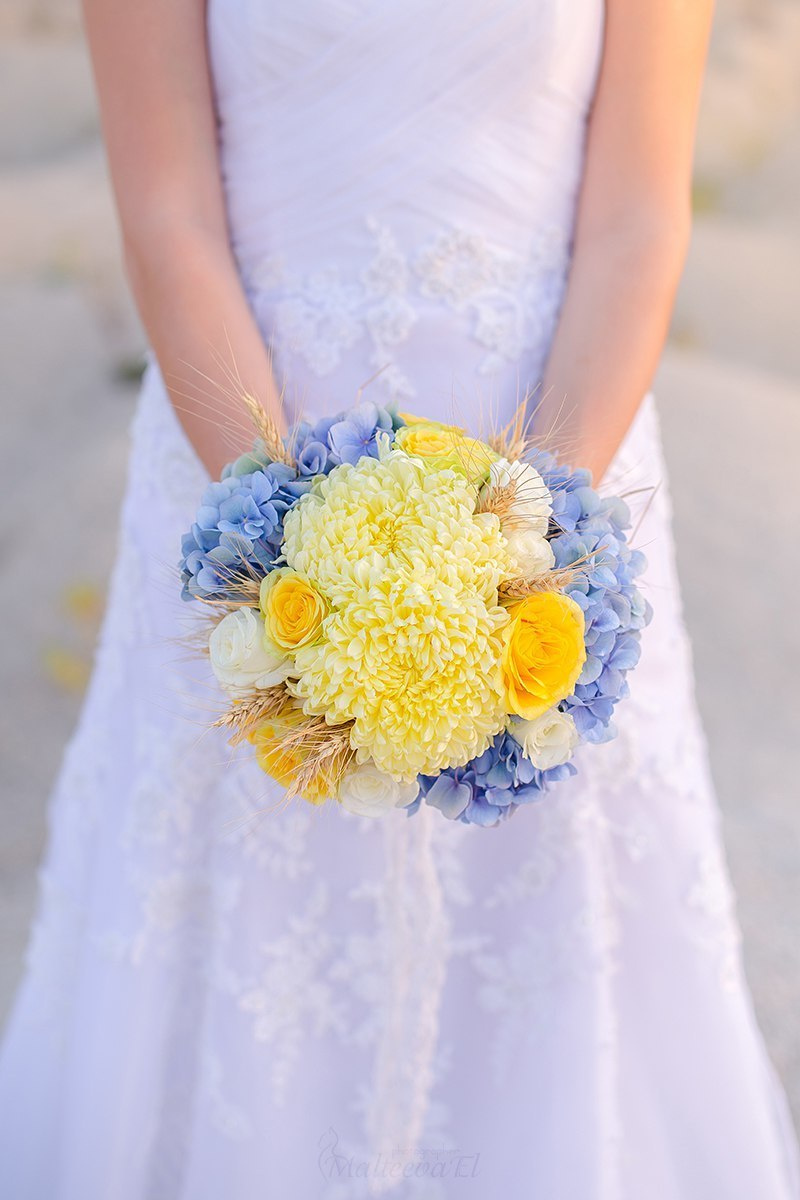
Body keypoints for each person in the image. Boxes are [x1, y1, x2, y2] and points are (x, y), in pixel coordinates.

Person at [2, 1, 798, 1196]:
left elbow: (635, 216)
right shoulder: (266, 523)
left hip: (558, 460)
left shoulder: (544, 534)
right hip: (248, 468)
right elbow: (167, 213)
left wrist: (527, 551)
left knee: (550, 946)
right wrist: (284, 549)